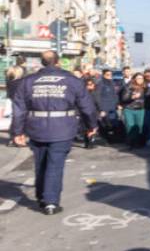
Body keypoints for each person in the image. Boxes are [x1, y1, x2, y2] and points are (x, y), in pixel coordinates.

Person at [10, 51, 98, 214]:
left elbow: (19, 109)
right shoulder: (72, 80)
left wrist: (17, 131)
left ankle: (42, 197)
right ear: (57, 61)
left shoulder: (28, 81)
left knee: (40, 162)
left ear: (42, 62)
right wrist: (91, 125)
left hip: (36, 127)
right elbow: (87, 106)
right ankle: (51, 201)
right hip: (62, 128)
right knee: (55, 164)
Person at [120, 72, 150, 148]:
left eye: (142, 78)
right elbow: (124, 98)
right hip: (129, 108)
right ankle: (130, 142)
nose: (140, 80)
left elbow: (148, 96)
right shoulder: (129, 86)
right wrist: (132, 97)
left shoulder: (145, 87)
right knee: (130, 125)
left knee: (139, 126)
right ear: (134, 79)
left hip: (140, 109)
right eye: (138, 78)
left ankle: (137, 142)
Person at [95, 69, 121, 143]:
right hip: (104, 107)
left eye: (110, 74)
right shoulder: (100, 83)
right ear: (103, 75)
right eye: (107, 75)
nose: (110, 76)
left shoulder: (112, 83)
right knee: (105, 124)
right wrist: (101, 109)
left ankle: (112, 139)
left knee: (113, 124)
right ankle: (106, 139)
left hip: (112, 107)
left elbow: (115, 95)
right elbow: (97, 97)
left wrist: (118, 103)